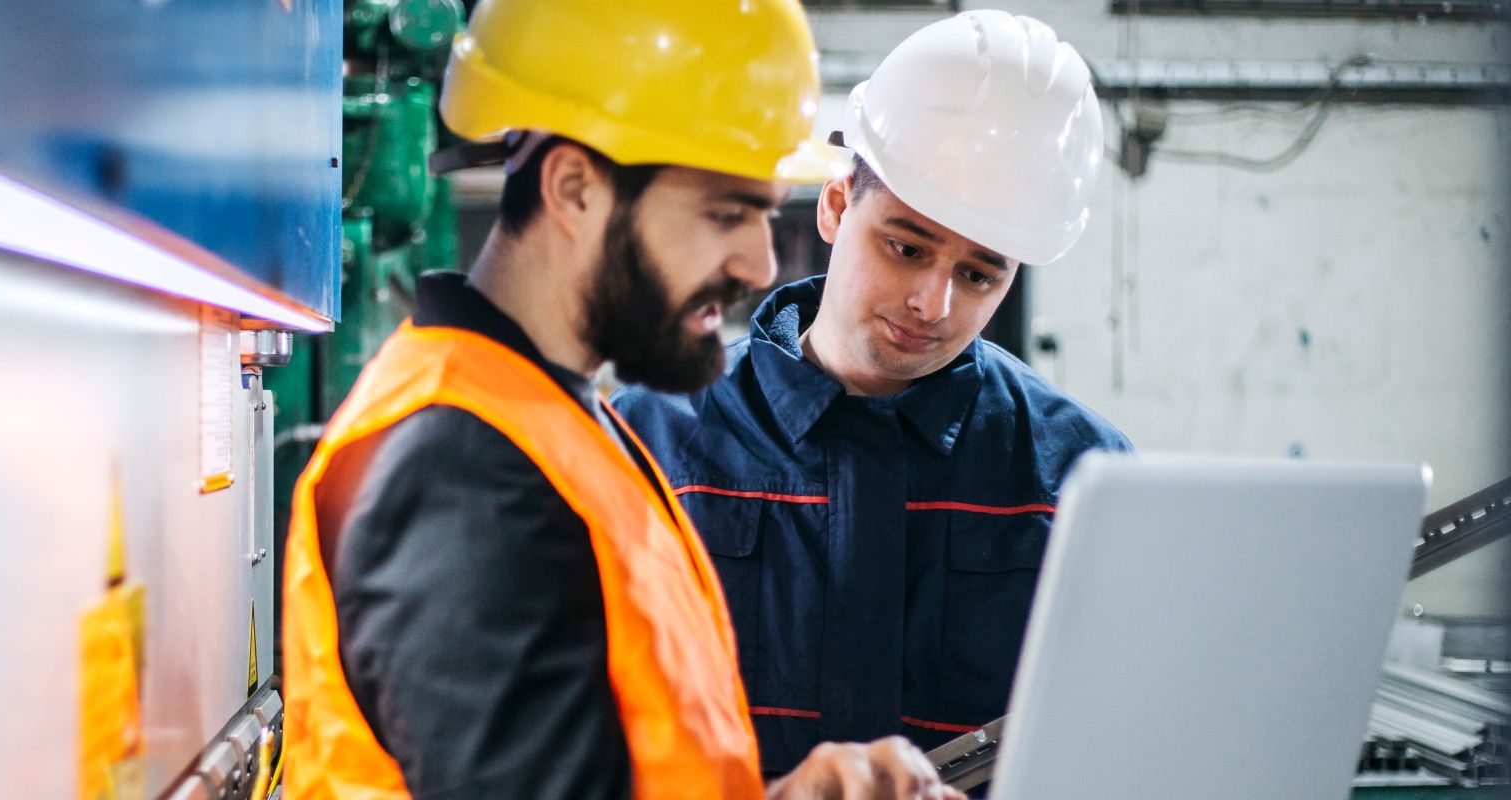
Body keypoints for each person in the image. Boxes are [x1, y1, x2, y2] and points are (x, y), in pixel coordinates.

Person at [281, 1, 966, 798]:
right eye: (724, 213)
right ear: (573, 187)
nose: (758, 263)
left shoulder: (549, 420)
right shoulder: (458, 469)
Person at [612, 10, 1132, 779]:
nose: (934, 304)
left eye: (978, 274)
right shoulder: (651, 442)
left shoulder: (1081, 477)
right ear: (834, 207)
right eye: (906, 247)